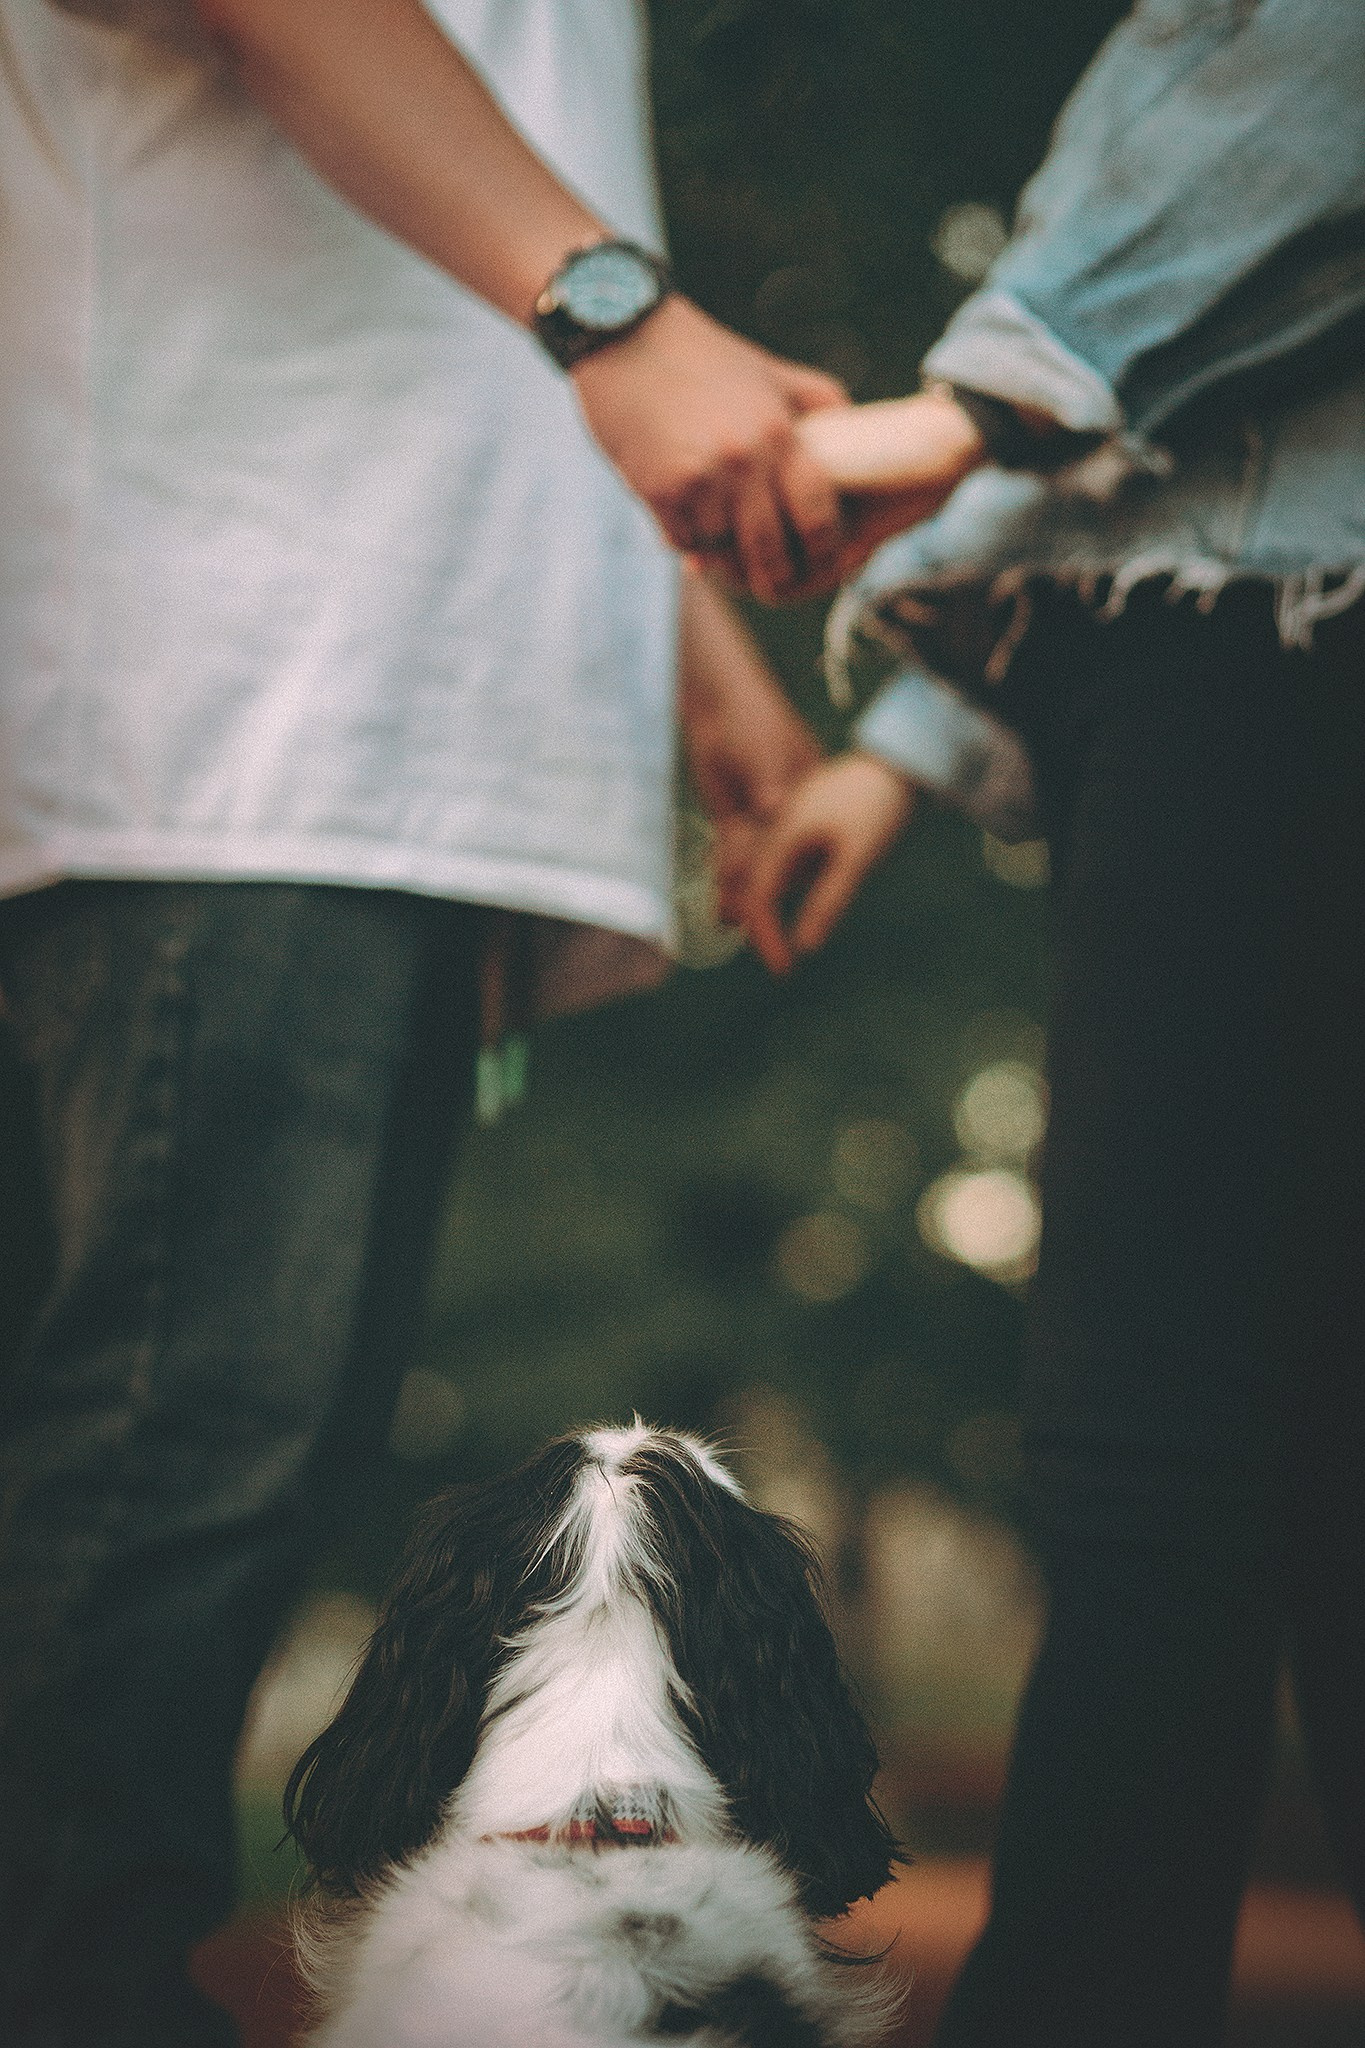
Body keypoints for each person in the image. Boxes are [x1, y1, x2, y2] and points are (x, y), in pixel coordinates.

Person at [0, 2, 829, 2043]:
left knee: (236, 1454)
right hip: (238, 700)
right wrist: (620, 315)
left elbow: (464, 249)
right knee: (163, 1462)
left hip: (372, 706)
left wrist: (684, 640)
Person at [743, 3, 1365, 2043]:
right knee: (1253, 1439)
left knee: (1153, 1452)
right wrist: (906, 745)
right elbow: (1173, 438)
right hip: (1216, 637)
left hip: (1274, 653)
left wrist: (953, 410)